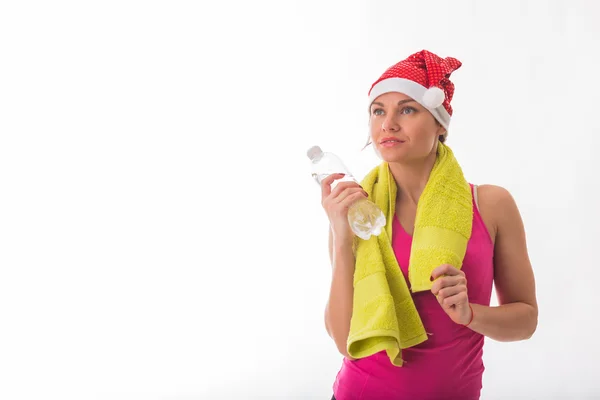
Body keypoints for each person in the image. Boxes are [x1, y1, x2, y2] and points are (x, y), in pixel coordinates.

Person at [320, 50, 538, 400]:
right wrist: (341, 236)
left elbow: (525, 322)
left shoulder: (491, 205)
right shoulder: (358, 210)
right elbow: (345, 340)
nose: (387, 124)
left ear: (440, 123)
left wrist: (470, 315)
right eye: (379, 111)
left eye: (407, 109)